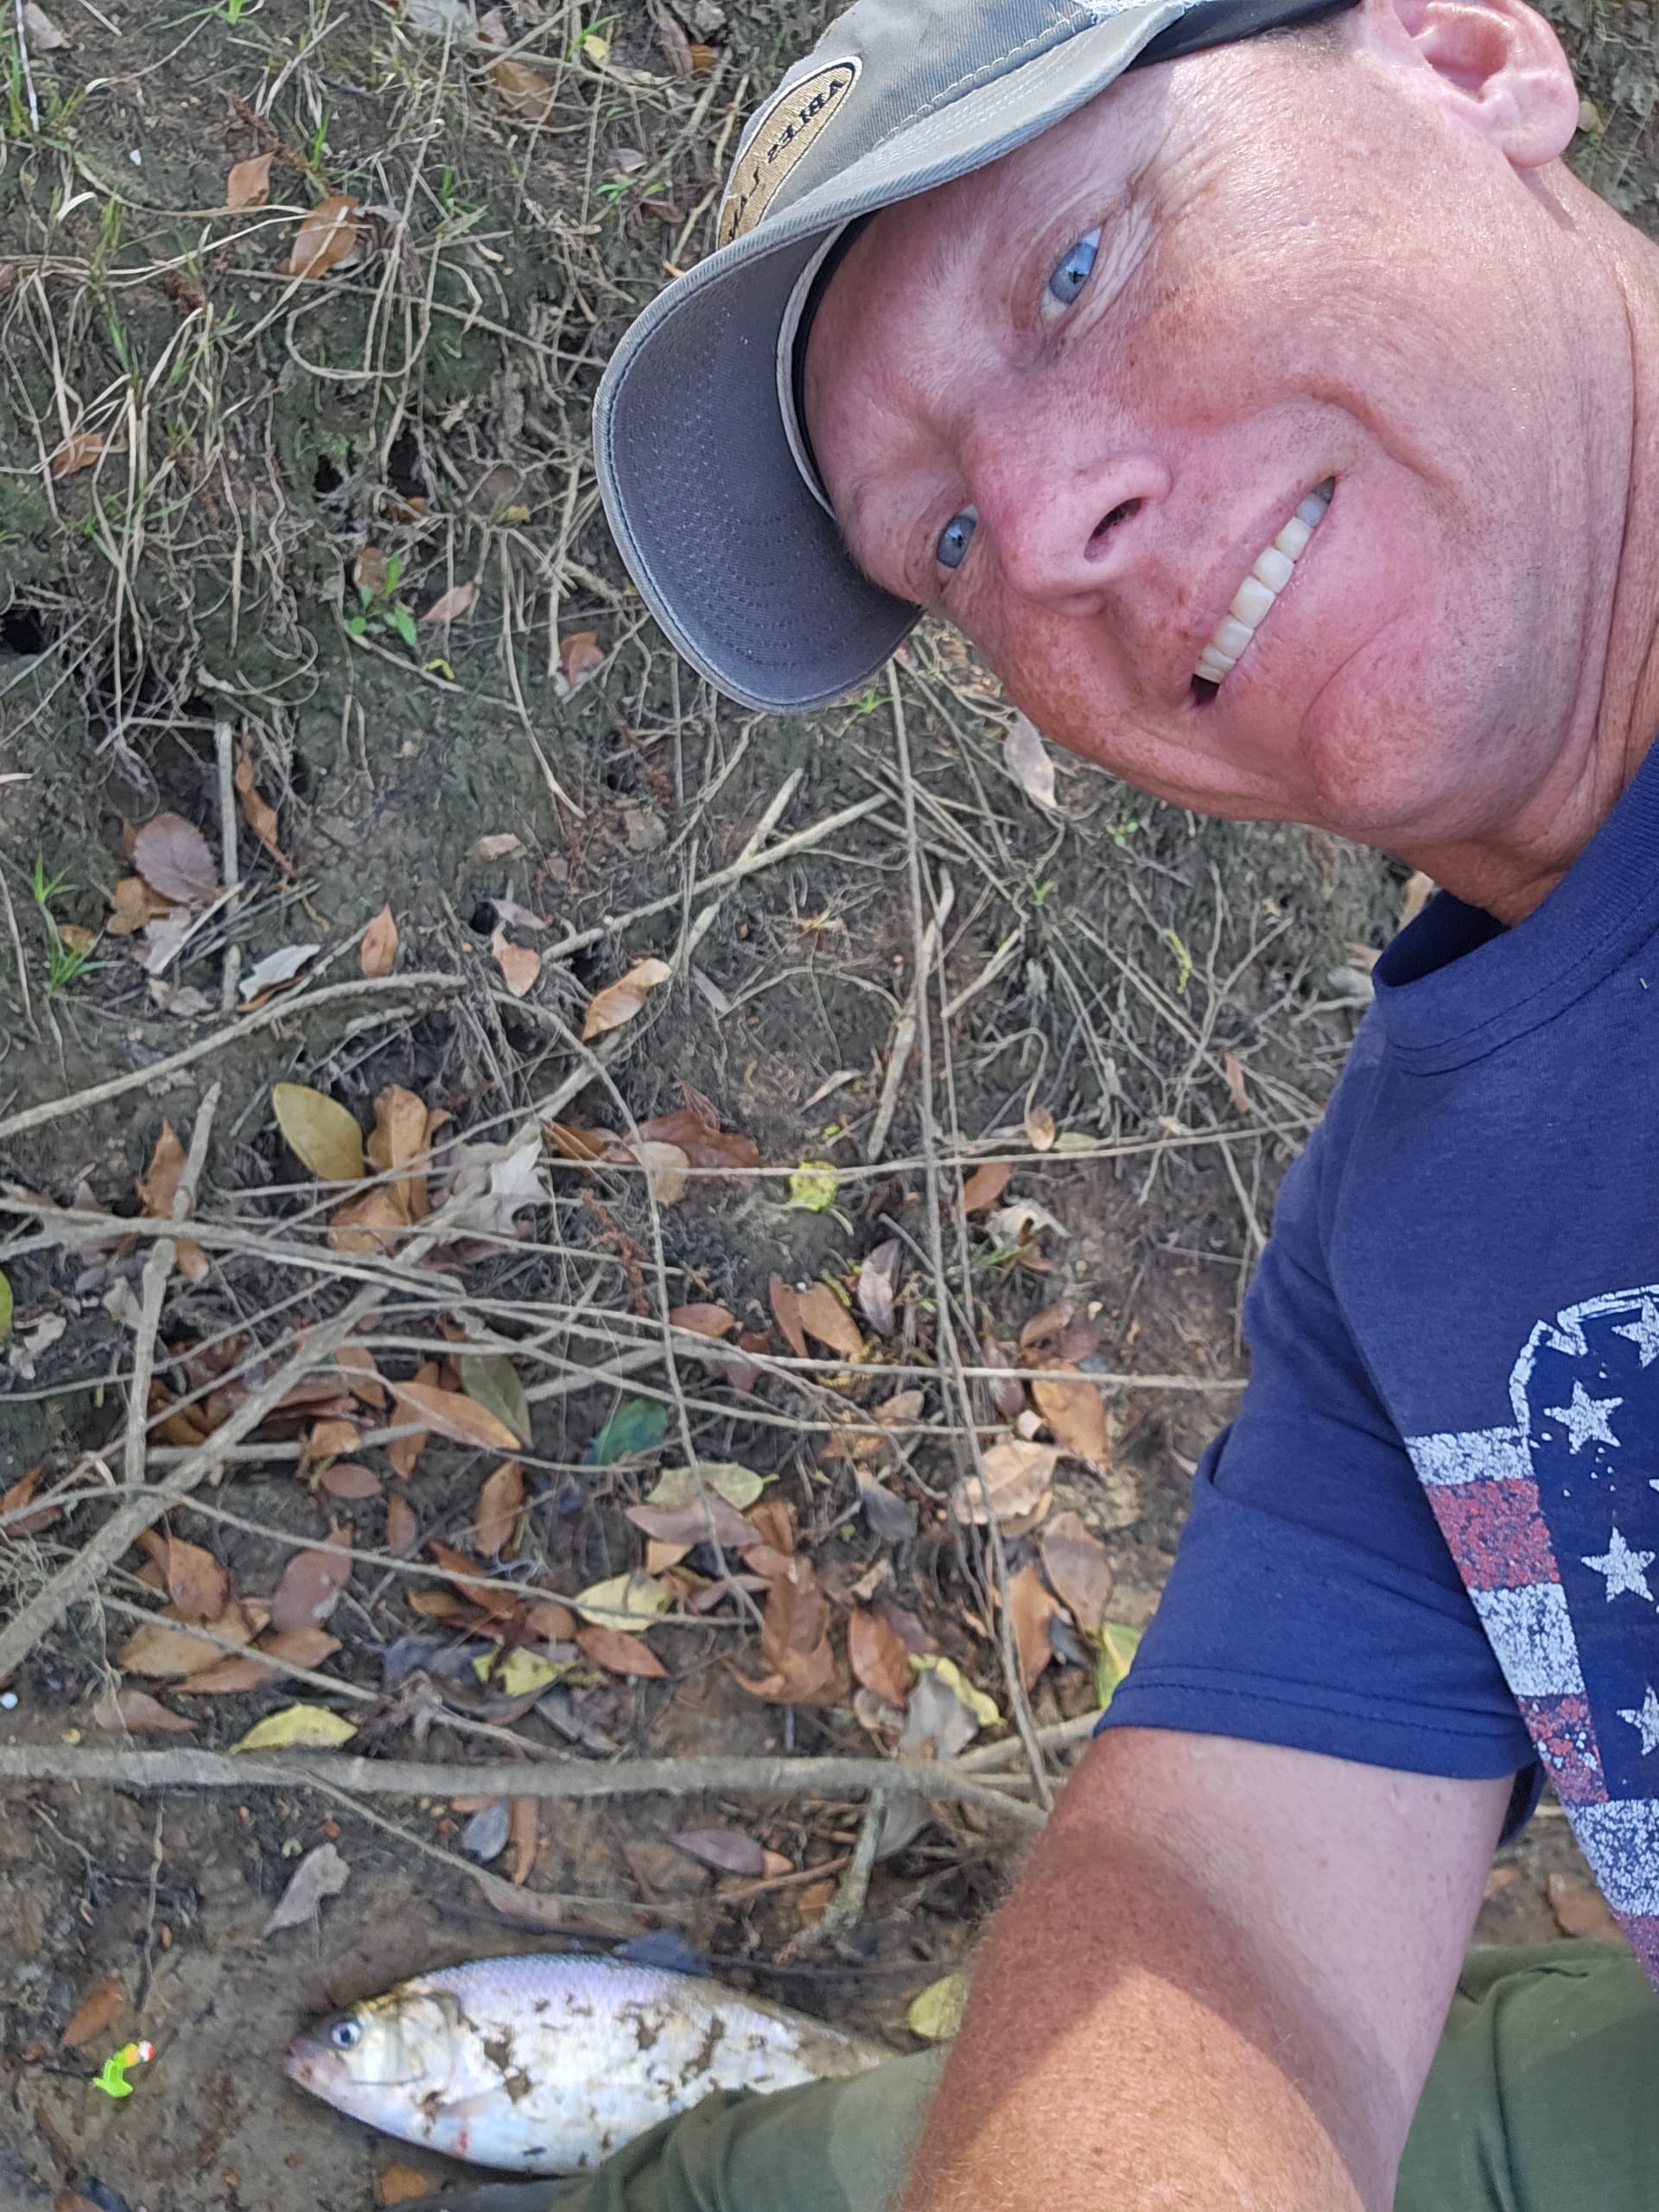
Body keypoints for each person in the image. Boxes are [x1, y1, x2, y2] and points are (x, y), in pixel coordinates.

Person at [571, 0, 1659, 2201]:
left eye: (1078, 266)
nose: (1053, 523)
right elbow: (1227, 1904)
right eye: (946, 545)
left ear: (1470, 59)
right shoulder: (1398, 1247)